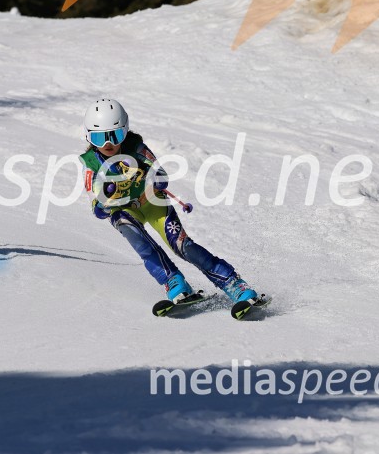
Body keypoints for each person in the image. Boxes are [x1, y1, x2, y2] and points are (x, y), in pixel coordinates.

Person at [78, 98, 267, 308]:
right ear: (88, 136)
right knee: (135, 235)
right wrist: (106, 198)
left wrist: (148, 176)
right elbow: (96, 208)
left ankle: (234, 284)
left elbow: (161, 175)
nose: (108, 144)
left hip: (150, 202)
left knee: (182, 245)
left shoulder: (136, 148)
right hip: (123, 210)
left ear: (126, 130)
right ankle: (174, 282)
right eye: (99, 137)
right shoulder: (91, 165)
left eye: (115, 135)